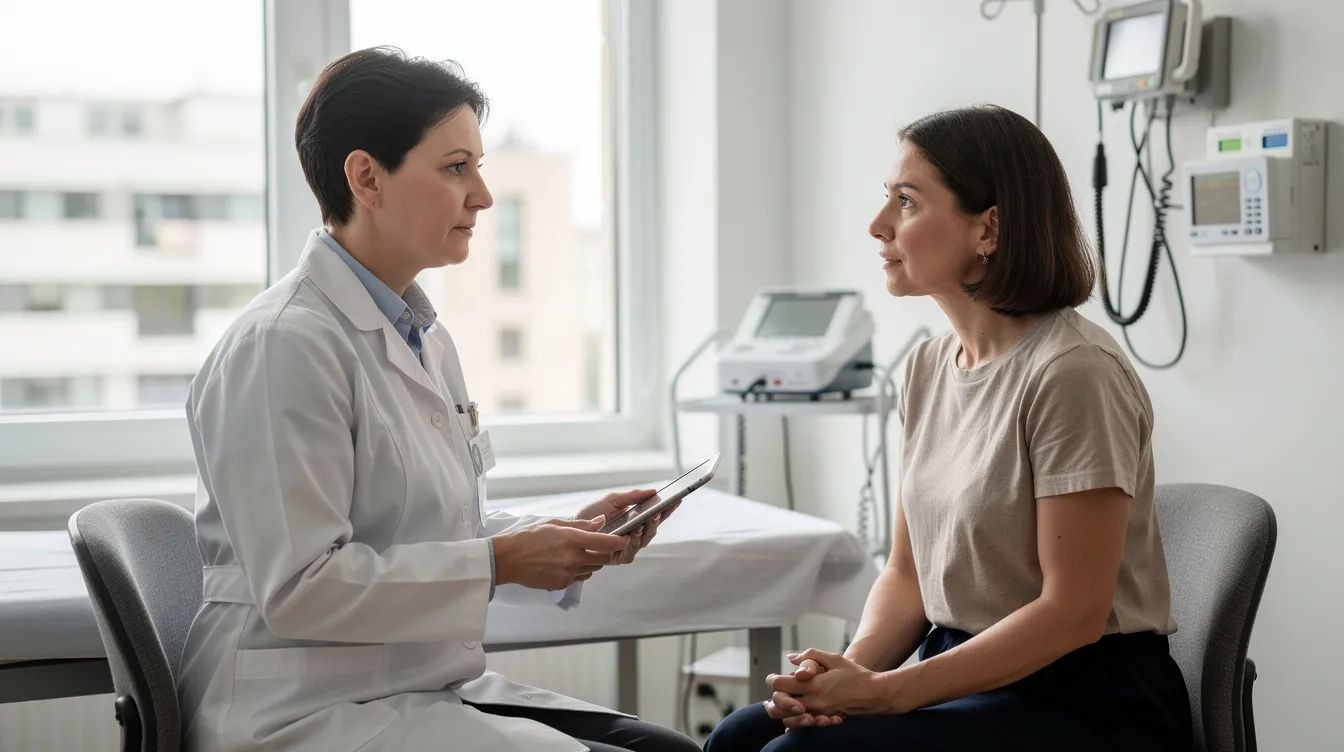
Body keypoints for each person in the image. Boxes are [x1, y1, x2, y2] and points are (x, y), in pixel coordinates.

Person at [175, 47, 700, 752]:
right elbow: (302, 588)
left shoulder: (421, 335)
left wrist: (561, 533)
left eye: (477, 167)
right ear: (366, 177)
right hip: (298, 710)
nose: (482, 195)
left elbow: (423, 529)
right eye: (456, 168)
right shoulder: (283, 346)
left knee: (669, 749)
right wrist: (501, 561)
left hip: (411, 686)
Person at [705, 105, 1194, 751]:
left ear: (988, 228)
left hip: (1084, 697)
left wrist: (887, 694)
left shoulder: (1073, 373)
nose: (878, 224)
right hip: (964, 670)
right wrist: (846, 676)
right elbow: (907, 576)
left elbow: (1073, 612)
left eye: (906, 202)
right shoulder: (928, 367)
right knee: (739, 737)